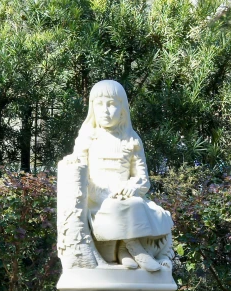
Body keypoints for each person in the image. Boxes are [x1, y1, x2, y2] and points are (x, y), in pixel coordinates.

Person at [67, 80, 172, 272]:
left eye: (112, 104)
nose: (105, 110)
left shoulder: (132, 139)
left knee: (139, 205)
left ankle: (125, 249)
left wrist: (133, 186)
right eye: (99, 104)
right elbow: (77, 166)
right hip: (96, 195)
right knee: (120, 205)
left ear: (122, 108)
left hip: (126, 194)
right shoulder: (87, 137)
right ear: (92, 108)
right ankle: (135, 249)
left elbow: (143, 178)